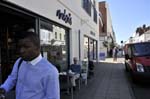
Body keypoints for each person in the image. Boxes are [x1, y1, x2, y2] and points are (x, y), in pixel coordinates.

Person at [0, 31, 60, 99]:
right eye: (20, 47)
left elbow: (52, 97)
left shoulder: (50, 71)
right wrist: (4, 88)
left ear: (38, 48)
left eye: (26, 47)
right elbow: (12, 78)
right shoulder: (20, 61)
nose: (21, 50)